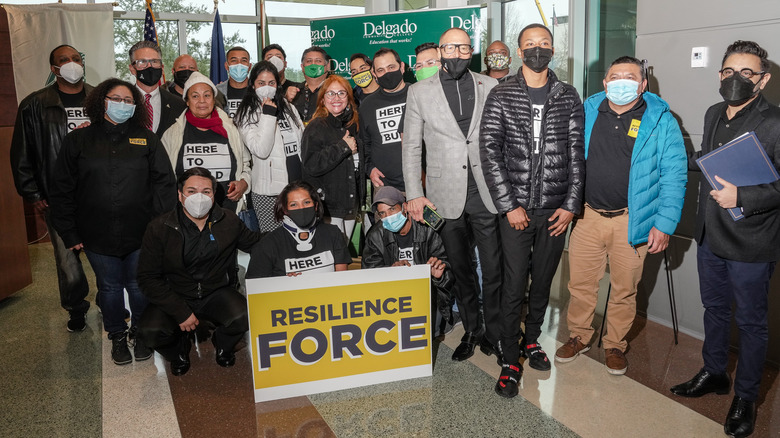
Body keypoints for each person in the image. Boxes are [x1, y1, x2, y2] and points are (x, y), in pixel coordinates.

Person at [670, 40, 780, 438]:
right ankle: (715, 372)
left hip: (752, 242)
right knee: (714, 310)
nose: (737, 79)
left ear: (762, 79)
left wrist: (744, 197)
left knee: (751, 324)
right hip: (710, 236)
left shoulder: (776, 122)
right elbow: (707, 159)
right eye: (729, 71)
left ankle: (746, 396)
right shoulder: (714, 111)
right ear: (719, 75)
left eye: (747, 73)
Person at [554, 56, 687, 376]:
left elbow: (675, 175)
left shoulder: (661, 119)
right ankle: (579, 336)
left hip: (634, 219)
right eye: (615, 76)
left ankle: (615, 344)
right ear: (605, 82)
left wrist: (664, 224)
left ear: (643, 84)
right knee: (581, 285)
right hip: (587, 216)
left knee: (625, 288)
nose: (621, 82)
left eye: (630, 77)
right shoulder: (586, 112)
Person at [480, 23, 585, 397]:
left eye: (544, 44)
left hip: (554, 212)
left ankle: (531, 340)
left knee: (541, 284)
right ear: (519, 50)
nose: (537, 49)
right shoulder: (501, 93)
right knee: (513, 288)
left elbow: (576, 154)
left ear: (553, 50)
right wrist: (509, 206)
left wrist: (571, 206)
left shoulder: (568, 95)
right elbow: (490, 152)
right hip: (516, 213)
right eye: (530, 44)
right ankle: (510, 358)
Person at [48, 78, 177, 365]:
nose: (122, 105)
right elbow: (62, 189)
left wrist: (160, 227)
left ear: (135, 106)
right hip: (95, 232)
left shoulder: (147, 139)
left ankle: (141, 332)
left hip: (142, 232)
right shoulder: (78, 139)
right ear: (101, 101)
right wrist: (69, 231)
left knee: (137, 285)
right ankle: (117, 335)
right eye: (115, 99)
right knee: (108, 288)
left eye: (128, 101)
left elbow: (164, 185)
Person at [402, 27, 501, 363]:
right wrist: (414, 193)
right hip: (443, 198)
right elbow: (411, 146)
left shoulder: (491, 85)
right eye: (450, 47)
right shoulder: (419, 92)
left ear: (471, 51)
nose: (456, 53)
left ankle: (495, 333)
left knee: (493, 267)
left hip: (487, 194)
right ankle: (473, 329)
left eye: (463, 47)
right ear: (440, 50)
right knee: (460, 269)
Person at [137, 167, 261, 376]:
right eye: (192, 191)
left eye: (206, 191)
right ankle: (178, 351)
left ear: (214, 195)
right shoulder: (159, 227)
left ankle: (222, 344)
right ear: (180, 194)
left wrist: (292, 235)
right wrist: (180, 311)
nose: (199, 197)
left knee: (246, 316)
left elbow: (256, 244)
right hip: (175, 293)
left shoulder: (228, 221)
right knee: (150, 332)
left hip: (216, 291)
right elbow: (147, 277)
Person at [10, 44, 94, 332]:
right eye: (64, 60)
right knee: (68, 262)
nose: (71, 63)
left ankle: (113, 304)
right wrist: (32, 193)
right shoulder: (34, 105)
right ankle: (76, 308)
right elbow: (22, 154)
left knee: (107, 257)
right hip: (59, 196)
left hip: (98, 194)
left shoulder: (100, 99)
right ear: (53, 69)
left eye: (75, 58)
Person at [361, 186, 454, 333]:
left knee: (431, 331)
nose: (388, 216)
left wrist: (438, 276)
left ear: (404, 207)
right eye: (382, 213)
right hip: (394, 296)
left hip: (427, 292)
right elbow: (369, 275)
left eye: (392, 209)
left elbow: (450, 269)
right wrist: (391, 271)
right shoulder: (375, 235)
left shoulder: (428, 228)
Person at [161, 72, 251, 214]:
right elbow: (163, 176)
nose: (202, 101)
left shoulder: (231, 129)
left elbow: (245, 164)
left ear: (214, 99)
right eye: (195, 96)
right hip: (186, 216)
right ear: (187, 101)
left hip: (226, 212)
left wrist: (244, 183)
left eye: (207, 95)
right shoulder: (172, 134)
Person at [234, 61, 304, 233]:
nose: (267, 87)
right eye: (261, 83)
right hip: (269, 193)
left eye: (271, 83)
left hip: (296, 187)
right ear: (252, 85)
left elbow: (302, 142)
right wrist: (268, 115)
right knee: (275, 242)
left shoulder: (289, 108)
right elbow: (261, 150)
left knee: (298, 238)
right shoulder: (245, 114)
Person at [301, 75, 363, 240]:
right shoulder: (316, 126)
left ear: (349, 99)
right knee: (333, 255)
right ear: (322, 100)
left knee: (343, 254)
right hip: (329, 207)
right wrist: (343, 147)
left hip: (349, 205)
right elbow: (311, 165)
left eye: (341, 93)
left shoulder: (349, 126)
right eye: (330, 94)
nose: (336, 98)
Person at [246, 181, 352, 278]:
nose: (301, 208)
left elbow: (341, 281)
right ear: (285, 210)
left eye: (306, 202)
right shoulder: (267, 245)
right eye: (294, 204)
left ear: (315, 206)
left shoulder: (333, 234)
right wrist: (281, 283)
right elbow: (255, 290)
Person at [360, 48, 409, 193]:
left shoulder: (418, 95)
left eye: (391, 67)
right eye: (380, 70)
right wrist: (370, 169)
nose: (387, 73)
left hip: (424, 185)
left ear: (402, 67)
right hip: (385, 188)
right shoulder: (367, 105)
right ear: (374, 74)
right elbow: (364, 145)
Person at [128, 40, 186, 137]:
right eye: (142, 62)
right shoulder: (121, 103)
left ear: (162, 68)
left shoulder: (179, 104)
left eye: (154, 61)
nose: (149, 66)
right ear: (132, 69)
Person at [292, 46, 331, 123]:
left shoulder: (337, 92)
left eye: (318, 61)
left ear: (328, 66)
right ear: (302, 67)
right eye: (309, 61)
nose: (313, 65)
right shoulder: (293, 93)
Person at [216, 46, 252, 118]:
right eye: (234, 60)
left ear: (249, 67)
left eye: (244, 60)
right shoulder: (217, 91)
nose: (239, 64)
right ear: (226, 66)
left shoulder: (258, 90)